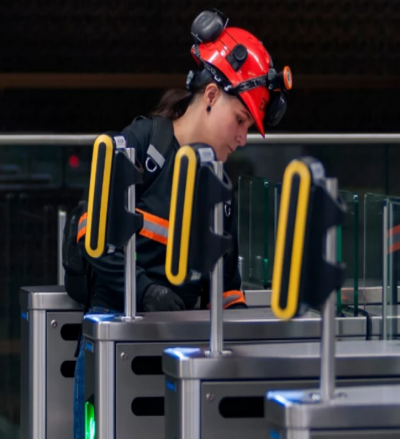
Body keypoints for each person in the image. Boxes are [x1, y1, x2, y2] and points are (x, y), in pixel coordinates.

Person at [71, 10, 292, 439]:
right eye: (241, 121)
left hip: (183, 355)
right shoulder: (141, 146)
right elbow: (93, 242)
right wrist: (146, 292)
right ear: (211, 95)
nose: (243, 137)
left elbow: (228, 288)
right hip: (114, 341)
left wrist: (242, 358)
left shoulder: (219, 187)